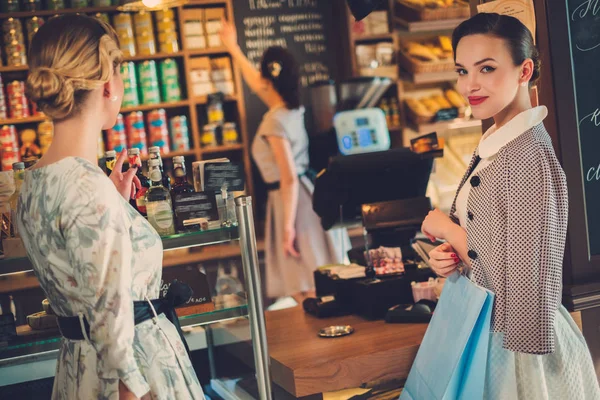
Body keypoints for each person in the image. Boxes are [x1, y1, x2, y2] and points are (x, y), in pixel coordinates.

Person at [16, 15, 205, 400]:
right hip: (136, 378)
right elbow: (110, 328)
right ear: (107, 83)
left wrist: (115, 205)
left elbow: (79, 281)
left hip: (78, 370)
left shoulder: (33, 184)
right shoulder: (88, 190)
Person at [420, 13, 600, 399]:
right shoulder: (500, 143)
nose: (470, 85)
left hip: (517, 350)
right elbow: (492, 247)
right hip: (492, 332)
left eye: (486, 68)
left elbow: (520, 284)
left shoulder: (527, 157)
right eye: (462, 70)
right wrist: (449, 253)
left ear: (525, 70)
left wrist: (448, 229)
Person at [219, 20, 349, 304]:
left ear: (268, 81)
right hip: (303, 196)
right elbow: (258, 82)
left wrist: (287, 228)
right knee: (310, 282)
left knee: (306, 287)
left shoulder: (274, 122)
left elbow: (288, 177)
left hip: (292, 203)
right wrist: (232, 47)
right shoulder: (290, 110)